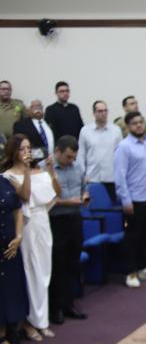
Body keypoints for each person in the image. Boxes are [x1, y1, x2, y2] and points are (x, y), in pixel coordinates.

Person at [3, 134, 59, 341]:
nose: (27, 152)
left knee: (44, 270)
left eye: (29, 148)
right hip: (24, 226)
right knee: (30, 270)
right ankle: (28, 322)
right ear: (14, 152)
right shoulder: (8, 175)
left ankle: (41, 320)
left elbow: (55, 193)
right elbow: (25, 196)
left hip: (42, 222)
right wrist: (26, 171)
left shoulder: (39, 171)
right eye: (22, 149)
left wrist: (49, 170)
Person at [113, 111, 146, 288]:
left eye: (141, 122)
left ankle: (144, 268)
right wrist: (125, 200)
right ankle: (131, 272)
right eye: (134, 123)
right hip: (135, 199)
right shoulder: (124, 147)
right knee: (133, 237)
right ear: (128, 127)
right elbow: (120, 176)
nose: (139, 126)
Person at [48, 136, 88, 324]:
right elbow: (46, 201)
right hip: (56, 220)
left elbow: (84, 188)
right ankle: (55, 308)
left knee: (73, 263)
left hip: (75, 219)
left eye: (73, 157)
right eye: (68, 157)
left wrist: (85, 195)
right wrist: (66, 201)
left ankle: (69, 304)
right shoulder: (45, 169)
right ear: (57, 151)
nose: (71, 160)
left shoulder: (77, 167)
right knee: (58, 265)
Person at [0, 138, 29, 344]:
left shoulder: (5, 181)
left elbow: (17, 210)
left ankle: (11, 330)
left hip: (10, 242)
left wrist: (19, 236)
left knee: (11, 288)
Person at [78, 100, 122, 202]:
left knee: (113, 211)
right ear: (94, 113)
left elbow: (120, 154)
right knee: (94, 210)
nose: (103, 113)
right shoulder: (85, 131)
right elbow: (81, 155)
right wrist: (83, 175)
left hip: (112, 178)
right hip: (92, 178)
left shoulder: (116, 130)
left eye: (105, 111)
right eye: (100, 111)